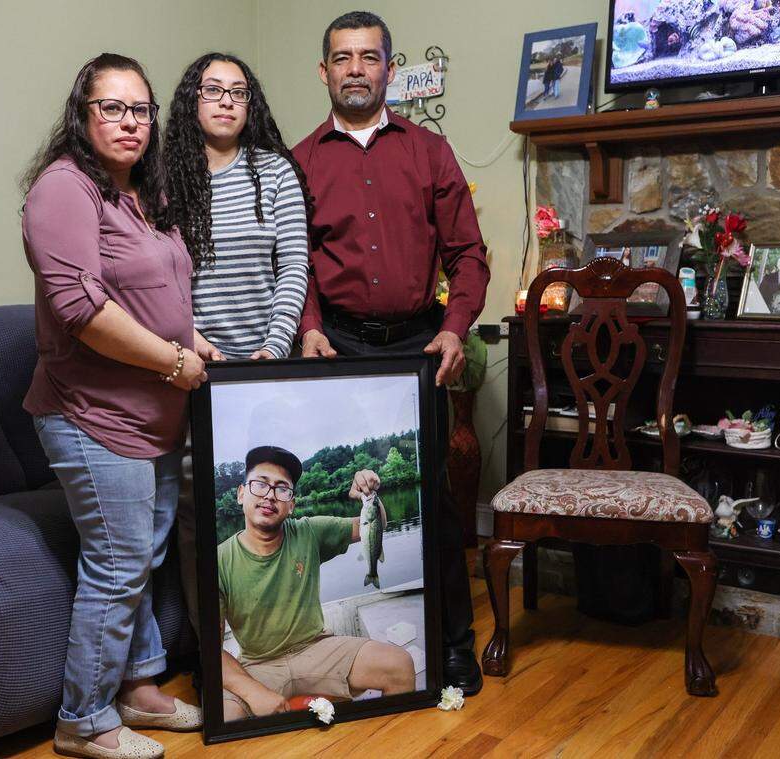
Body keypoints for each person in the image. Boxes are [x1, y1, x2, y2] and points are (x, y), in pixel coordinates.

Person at [293, 10, 491, 695]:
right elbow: (294, 263)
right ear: (324, 72)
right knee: (356, 495)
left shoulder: (430, 151)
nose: (355, 69)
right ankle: (342, 656)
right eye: (342, 58)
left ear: (388, 68)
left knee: (434, 499)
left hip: (419, 343)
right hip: (337, 345)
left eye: (368, 57)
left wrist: (457, 326)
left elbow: (467, 253)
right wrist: (309, 325)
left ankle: (455, 647)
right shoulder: (302, 160)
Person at [21, 53, 206, 759]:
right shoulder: (63, 189)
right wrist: (175, 361)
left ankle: (136, 684)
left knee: (144, 554)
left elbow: (163, 296)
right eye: (112, 107)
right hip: (91, 415)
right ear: (83, 114)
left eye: (141, 109)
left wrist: (198, 343)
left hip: (156, 416)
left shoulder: (139, 193)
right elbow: (83, 309)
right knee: (120, 560)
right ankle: (84, 718)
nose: (130, 122)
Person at [219, 446, 415, 720]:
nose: (269, 495)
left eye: (282, 489)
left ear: (292, 504)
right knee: (226, 714)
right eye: (260, 484)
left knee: (400, 665)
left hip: (317, 648)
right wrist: (254, 693)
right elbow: (211, 650)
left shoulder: (308, 532)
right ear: (241, 493)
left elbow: (375, 523)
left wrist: (370, 494)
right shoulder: (218, 560)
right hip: (258, 664)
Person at [164, 53, 311, 361]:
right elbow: (154, 278)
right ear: (192, 100)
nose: (226, 101)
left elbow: (293, 267)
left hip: (265, 360)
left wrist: (275, 347)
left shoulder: (276, 171)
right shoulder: (164, 180)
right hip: (189, 358)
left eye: (238, 92)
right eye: (213, 90)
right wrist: (187, 339)